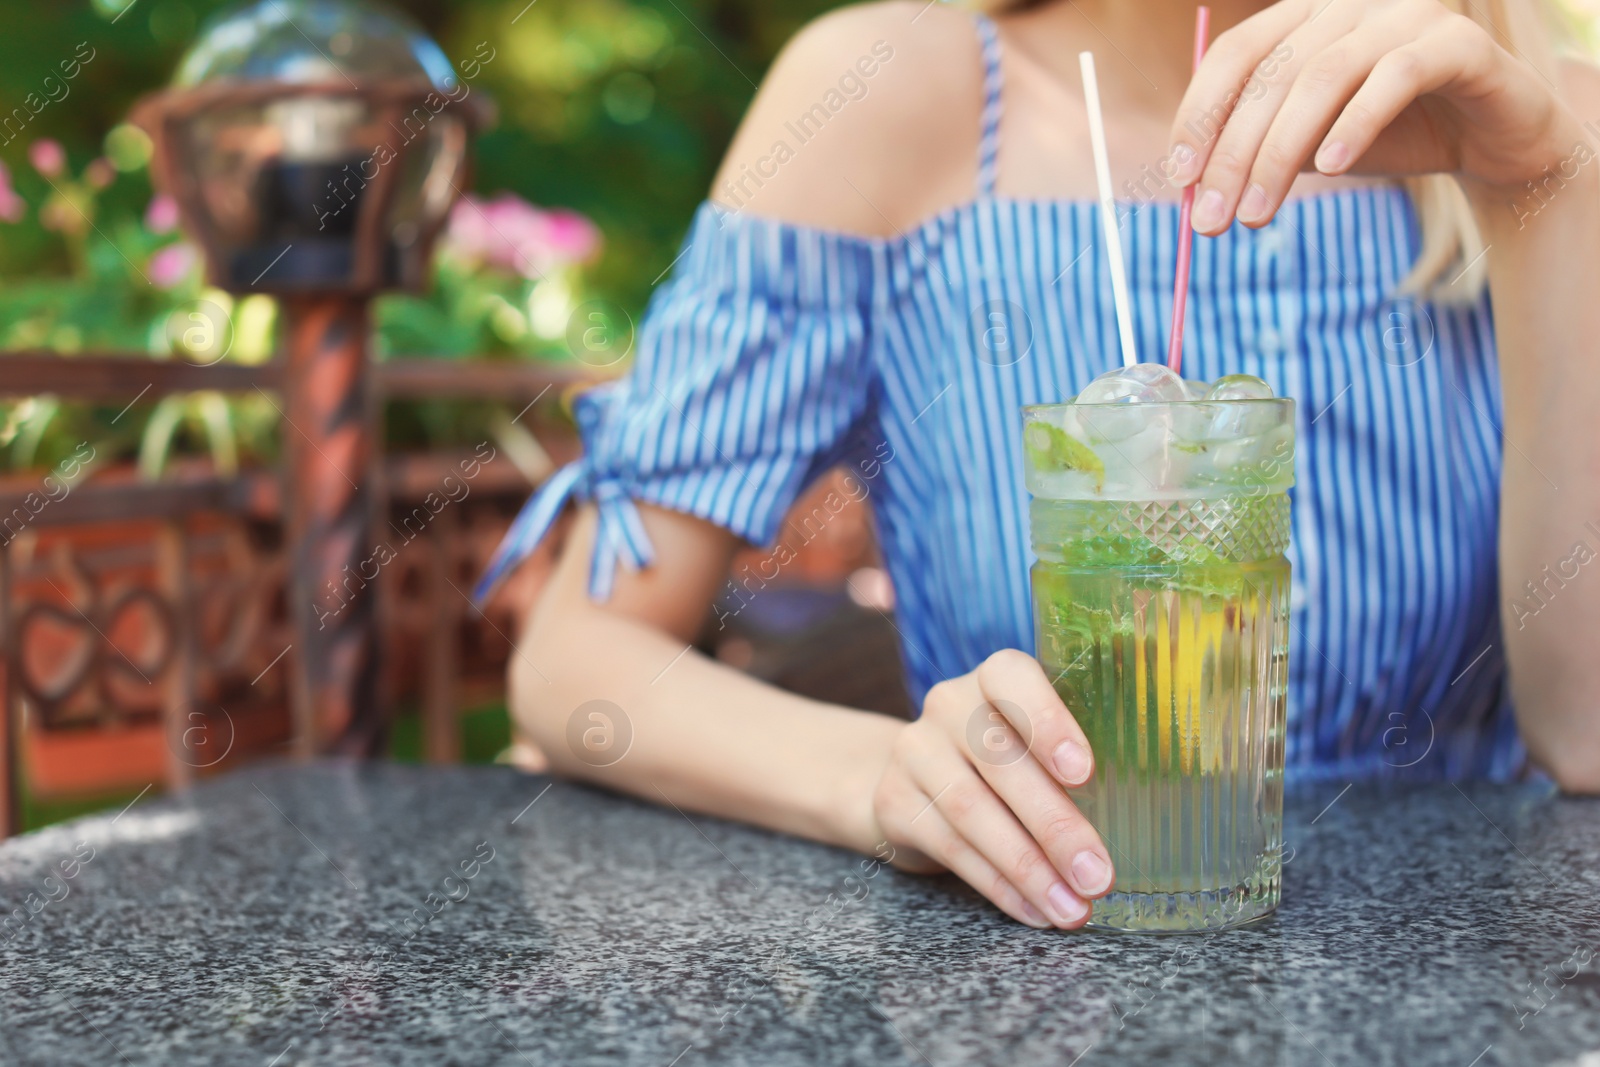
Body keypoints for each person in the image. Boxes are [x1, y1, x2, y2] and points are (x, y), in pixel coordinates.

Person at [479, 0, 1600, 929]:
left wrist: (1534, 189)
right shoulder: (884, 95)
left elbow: (1584, 733)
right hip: (1045, 959)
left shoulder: (1550, 120)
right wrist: (883, 776)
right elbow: (578, 663)